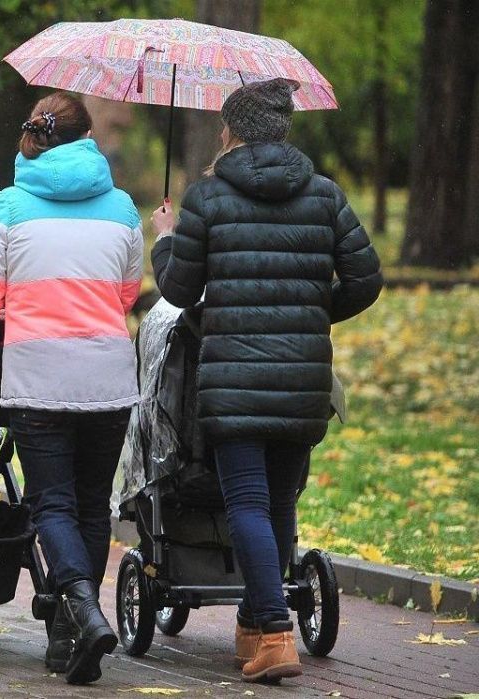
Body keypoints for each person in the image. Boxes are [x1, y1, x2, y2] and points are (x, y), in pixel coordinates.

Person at [150, 78, 382, 683]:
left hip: (233, 378)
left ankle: (276, 633)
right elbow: (365, 280)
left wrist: (165, 241)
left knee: (247, 503)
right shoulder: (326, 196)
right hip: (303, 380)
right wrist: (306, 315)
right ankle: (256, 623)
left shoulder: (207, 198)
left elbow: (178, 290)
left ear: (232, 132)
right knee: (280, 502)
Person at [0, 91, 144, 685]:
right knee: (89, 504)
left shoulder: (9, 205)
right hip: (109, 377)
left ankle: (82, 609)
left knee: (51, 502)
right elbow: (126, 294)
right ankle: (67, 637)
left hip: (40, 378)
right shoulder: (124, 207)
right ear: (88, 139)